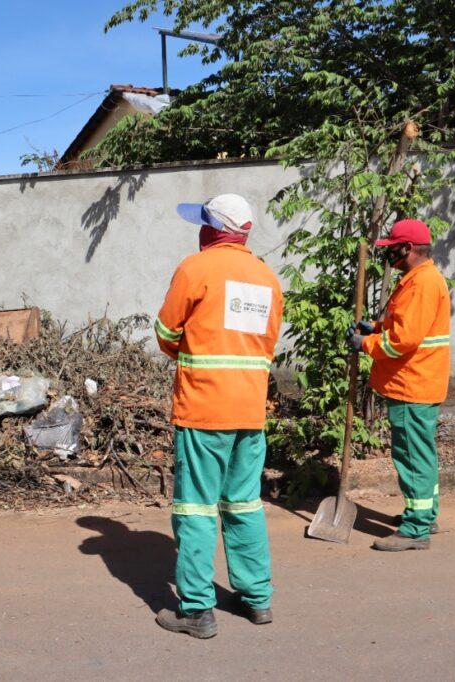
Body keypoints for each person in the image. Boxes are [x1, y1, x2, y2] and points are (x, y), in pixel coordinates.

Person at [153, 193, 283, 639]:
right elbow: (267, 346)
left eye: (202, 223)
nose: (199, 230)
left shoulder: (196, 268)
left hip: (204, 409)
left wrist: (190, 349)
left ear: (212, 229)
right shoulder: (266, 277)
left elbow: (167, 333)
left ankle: (196, 610)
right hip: (250, 410)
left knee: (196, 509)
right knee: (244, 503)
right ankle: (256, 598)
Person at [349, 218, 450, 551]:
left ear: (408, 248)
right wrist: (376, 326)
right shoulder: (418, 279)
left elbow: (402, 342)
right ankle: (424, 513)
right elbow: (403, 325)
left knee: (411, 457)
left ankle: (416, 529)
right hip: (418, 381)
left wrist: (365, 344)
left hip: (412, 384)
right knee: (420, 454)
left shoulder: (422, 283)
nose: (388, 252)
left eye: (392, 247)